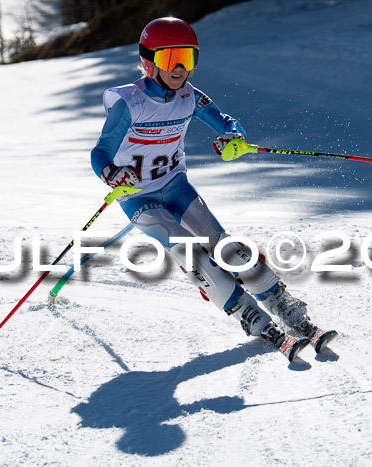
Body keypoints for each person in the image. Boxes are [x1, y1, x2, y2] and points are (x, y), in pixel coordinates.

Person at [90, 17, 329, 357]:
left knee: (225, 246)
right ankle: (246, 313)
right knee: (191, 253)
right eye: (169, 59)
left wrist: (232, 138)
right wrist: (112, 173)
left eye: (187, 58)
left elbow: (227, 123)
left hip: (176, 187)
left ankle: (281, 301)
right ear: (148, 61)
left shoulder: (189, 96)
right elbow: (100, 152)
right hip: (139, 198)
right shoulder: (130, 103)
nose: (179, 68)